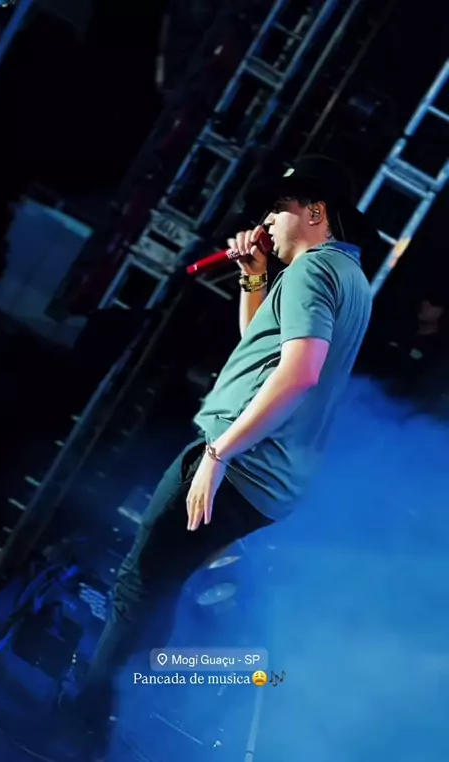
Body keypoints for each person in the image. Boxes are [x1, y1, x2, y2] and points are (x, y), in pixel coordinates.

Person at [49, 155, 375, 759]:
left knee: (140, 584)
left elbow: (300, 374)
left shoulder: (312, 271)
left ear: (315, 211)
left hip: (243, 462)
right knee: (160, 585)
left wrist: (219, 454)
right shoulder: (348, 276)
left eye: (279, 209)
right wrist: (254, 279)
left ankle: (86, 725)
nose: (267, 222)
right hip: (274, 478)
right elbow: (262, 352)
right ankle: (121, 707)